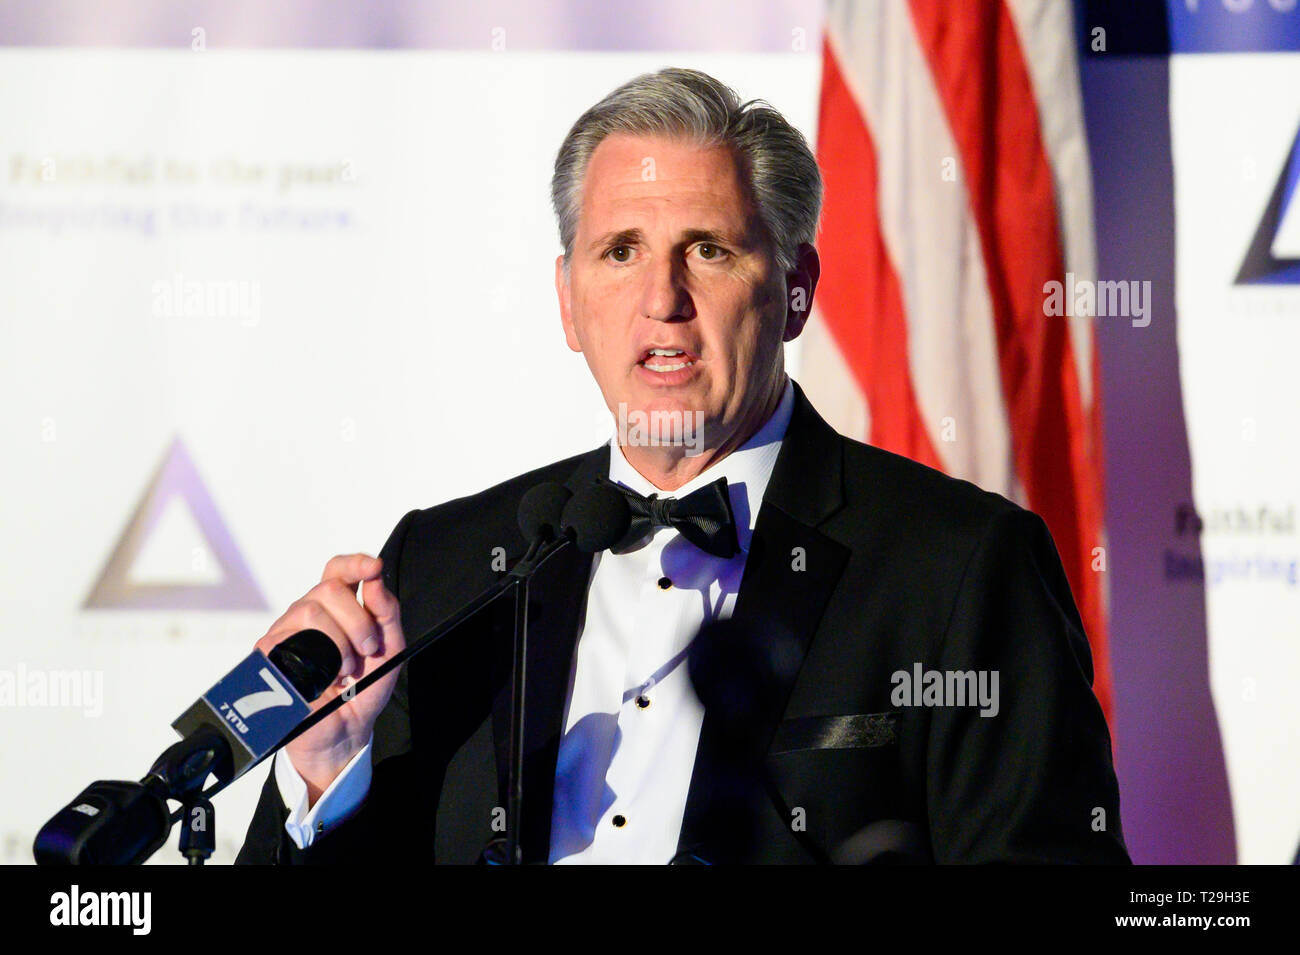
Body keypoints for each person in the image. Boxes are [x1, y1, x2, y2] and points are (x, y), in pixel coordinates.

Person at [236, 67, 1129, 865]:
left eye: (709, 249)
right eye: (620, 252)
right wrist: (323, 779)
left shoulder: (961, 566)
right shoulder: (442, 566)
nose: (662, 300)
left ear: (794, 290)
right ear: (568, 302)